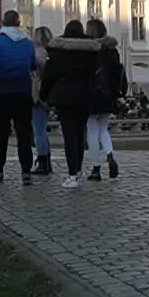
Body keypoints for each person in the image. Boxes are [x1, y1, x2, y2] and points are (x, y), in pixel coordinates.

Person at [0, 10, 37, 184]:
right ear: (19, 24)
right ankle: (26, 171)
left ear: (3, 23)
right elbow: (32, 66)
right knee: (24, 134)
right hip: (23, 92)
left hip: (3, 93)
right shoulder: (28, 44)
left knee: (1, 134)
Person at [40, 19, 100, 188]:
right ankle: (78, 171)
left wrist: (44, 95)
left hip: (64, 95)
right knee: (80, 133)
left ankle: (72, 173)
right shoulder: (91, 50)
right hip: (84, 95)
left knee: (69, 135)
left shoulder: (58, 50)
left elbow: (48, 75)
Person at [84, 19, 127, 181]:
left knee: (92, 131)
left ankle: (96, 168)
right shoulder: (112, 50)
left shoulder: (89, 50)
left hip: (91, 95)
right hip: (109, 95)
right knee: (103, 129)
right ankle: (109, 156)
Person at [29, 27, 54, 175]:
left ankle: (42, 161)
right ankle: (47, 161)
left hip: (36, 95)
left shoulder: (36, 53)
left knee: (38, 131)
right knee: (42, 129)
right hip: (47, 95)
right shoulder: (51, 53)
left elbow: (33, 75)